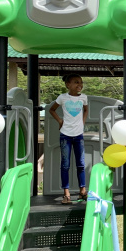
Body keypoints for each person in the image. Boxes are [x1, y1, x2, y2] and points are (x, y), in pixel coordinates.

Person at [49, 74, 89, 204]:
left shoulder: (84, 98)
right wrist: (60, 120)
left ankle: (82, 191)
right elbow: (52, 110)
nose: (80, 85)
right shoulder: (62, 98)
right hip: (65, 135)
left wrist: (82, 123)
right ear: (68, 85)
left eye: (81, 83)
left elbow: (86, 110)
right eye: (76, 82)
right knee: (65, 165)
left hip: (79, 135)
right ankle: (66, 194)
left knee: (81, 164)